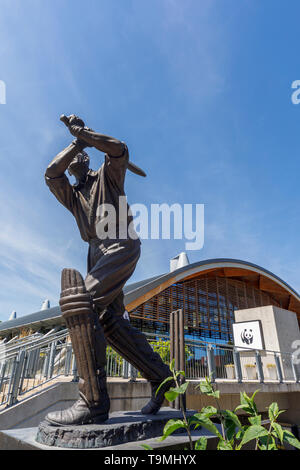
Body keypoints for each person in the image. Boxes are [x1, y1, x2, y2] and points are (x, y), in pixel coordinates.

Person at [43, 115, 173, 426]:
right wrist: (76, 142)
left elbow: (118, 150)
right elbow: (51, 173)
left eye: (82, 152)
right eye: (74, 153)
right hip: (95, 253)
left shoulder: (108, 177)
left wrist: (85, 134)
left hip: (119, 243)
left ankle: (93, 401)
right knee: (108, 321)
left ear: (89, 155)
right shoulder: (74, 195)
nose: (76, 158)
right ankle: (162, 377)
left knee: (81, 304)